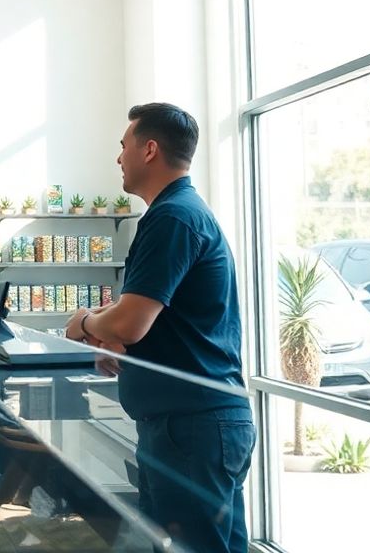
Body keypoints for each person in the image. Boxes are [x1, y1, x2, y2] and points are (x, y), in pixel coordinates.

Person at [65, 103, 253, 553]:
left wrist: (85, 323)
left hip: (191, 427)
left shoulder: (172, 217)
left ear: (149, 149)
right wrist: (116, 338)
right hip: (192, 424)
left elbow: (130, 320)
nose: (118, 158)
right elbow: (155, 319)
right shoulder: (177, 213)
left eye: (123, 146)